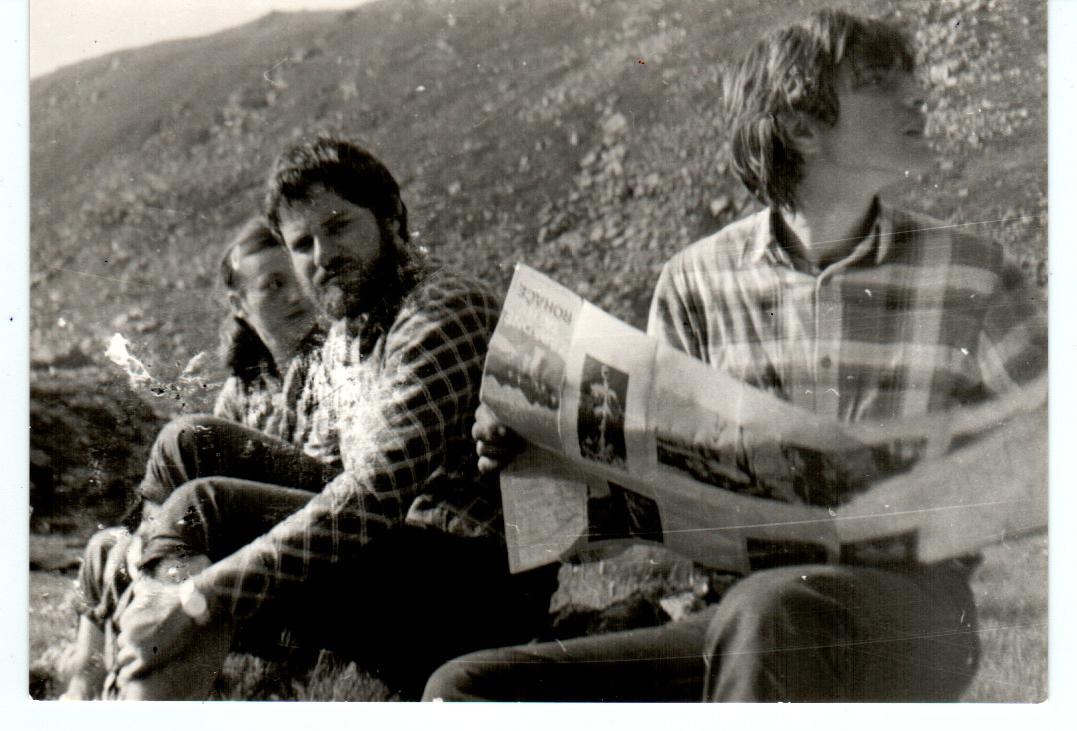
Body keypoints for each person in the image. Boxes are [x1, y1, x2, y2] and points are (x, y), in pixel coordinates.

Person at [423, 9, 1047, 702]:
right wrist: (536, 446)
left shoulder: (973, 273)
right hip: (733, 609)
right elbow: (650, 485)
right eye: (878, 83)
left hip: (912, 614)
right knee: (466, 687)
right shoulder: (694, 282)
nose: (918, 96)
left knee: (770, 613)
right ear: (802, 128)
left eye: (910, 79)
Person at [108, 138, 557, 700]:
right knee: (191, 442)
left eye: (339, 226)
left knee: (207, 507)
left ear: (391, 216)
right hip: (403, 555)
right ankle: (122, 663)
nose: (322, 256)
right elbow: (322, 470)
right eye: (302, 244)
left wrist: (207, 593)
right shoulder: (349, 328)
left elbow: (371, 498)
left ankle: (146, 678)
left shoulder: (439, 311)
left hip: (479, 589)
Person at [60, 218, 323, 700]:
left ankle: (132, 664)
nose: (296, 296)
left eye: (297, 278)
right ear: (239, 306)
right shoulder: (243, 390)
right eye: (273, 285)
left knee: (185, 447)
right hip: (236, 547)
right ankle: (83, 688)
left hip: (304, 548)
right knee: (104, 549)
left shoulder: (336, 363)